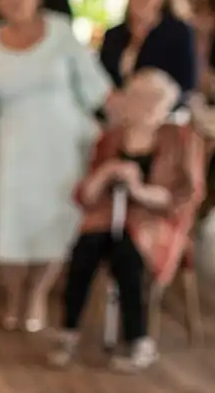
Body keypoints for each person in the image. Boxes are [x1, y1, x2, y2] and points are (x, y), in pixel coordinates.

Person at [0, 0, 113, 331]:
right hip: (14, 143)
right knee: (11, 219)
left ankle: (38, 294)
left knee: (57, 218)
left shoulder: (61, 33)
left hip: (62, 143)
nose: (14, 1)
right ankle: (15, 295)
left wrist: (131, 119)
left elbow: (96, 86)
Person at [52, 69, 204, 372]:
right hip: (108, 215)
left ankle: (139, 340)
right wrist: (107, 172)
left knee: (129, 257)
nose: (145, 106)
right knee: (84, 249)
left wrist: (140, 191)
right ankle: (68, 332)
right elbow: (86, 194)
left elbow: (185, 196)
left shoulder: (180, 138)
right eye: (138, 98)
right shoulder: (111, 138)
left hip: (156, 222)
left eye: (153, 100)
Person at [99, 0, 198, 96]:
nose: (142, 1)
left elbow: (187, 83)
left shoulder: (178, 33)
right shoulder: (114, 35)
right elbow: (100, 79)